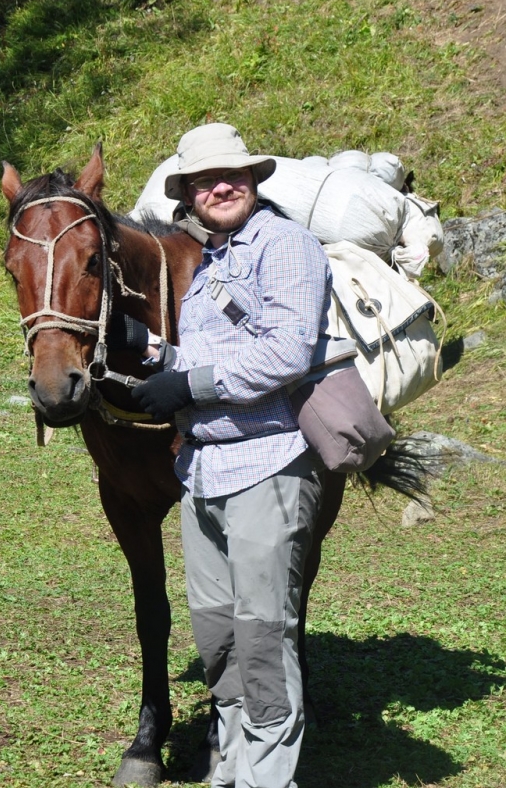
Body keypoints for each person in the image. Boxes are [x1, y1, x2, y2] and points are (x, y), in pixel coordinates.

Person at [109, 123, 332, 788]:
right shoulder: (211, 265)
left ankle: (268, 779)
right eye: (205, 181)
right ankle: (231, 772)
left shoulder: (285, 245)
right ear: (189, 195)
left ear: (255, 181)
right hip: (204, 473)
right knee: (221, 641)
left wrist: (189, 384)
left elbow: (287, 352)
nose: (220, 187)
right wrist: (149, 350)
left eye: (232, 175)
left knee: (263, 639)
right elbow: (200, 358)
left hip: (268, 466)